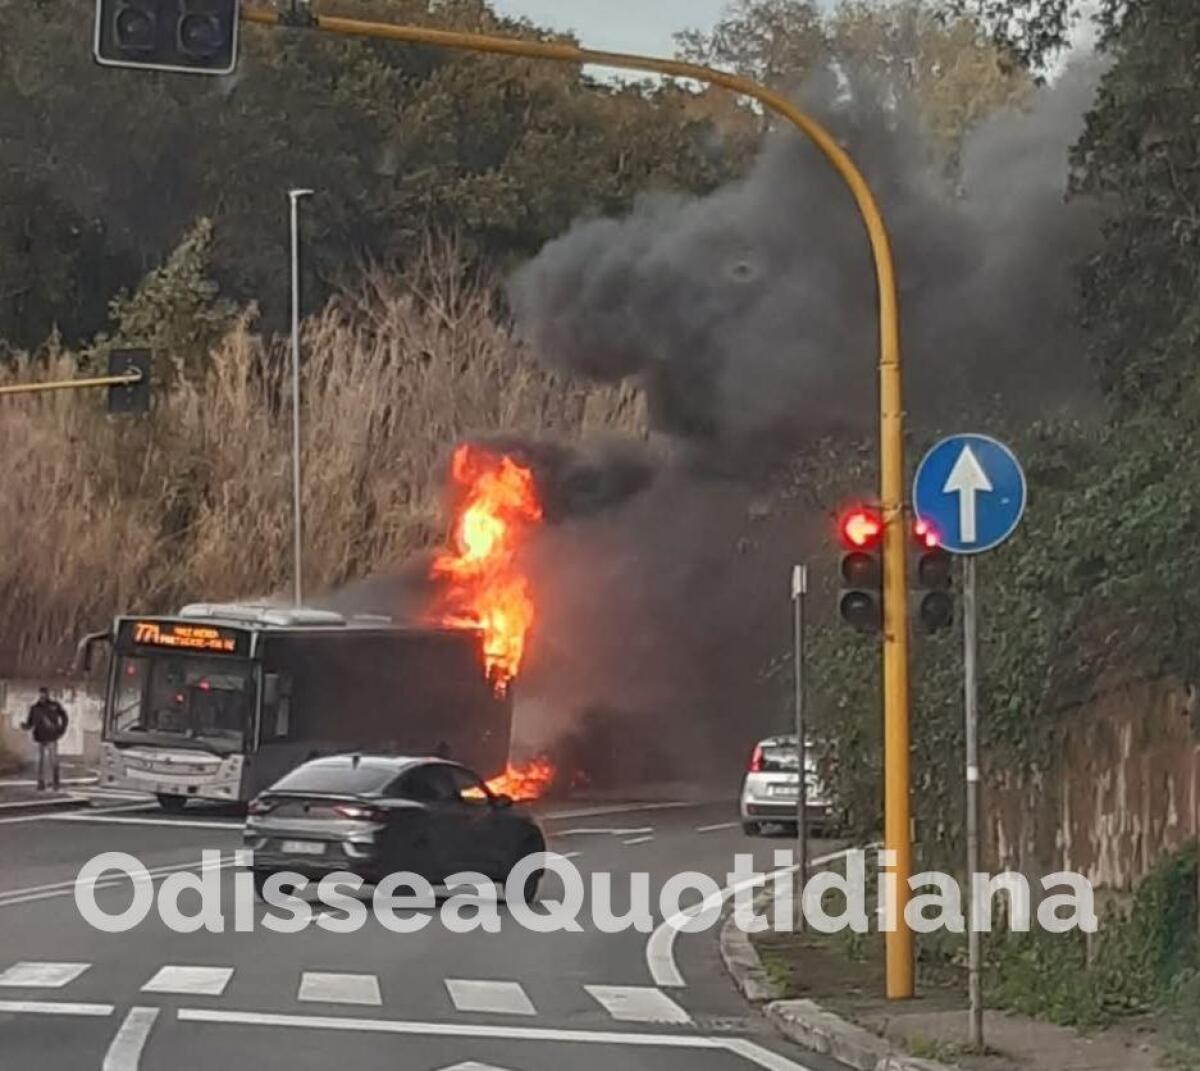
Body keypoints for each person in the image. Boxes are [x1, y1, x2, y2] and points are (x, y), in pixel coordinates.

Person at [21, 687, 69, 791]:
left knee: (54, 761)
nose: (43, 696)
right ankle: (40, 783)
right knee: (40, 762)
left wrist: (61, 729)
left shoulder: (54, 706)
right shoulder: (35, 708)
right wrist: (25, 726)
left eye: (45, 694)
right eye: (41, 694)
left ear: (48, 694)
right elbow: (30, 723)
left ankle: (56, 783)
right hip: (40, 738)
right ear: (39, 695)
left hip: (52, 737)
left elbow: (64, 717)